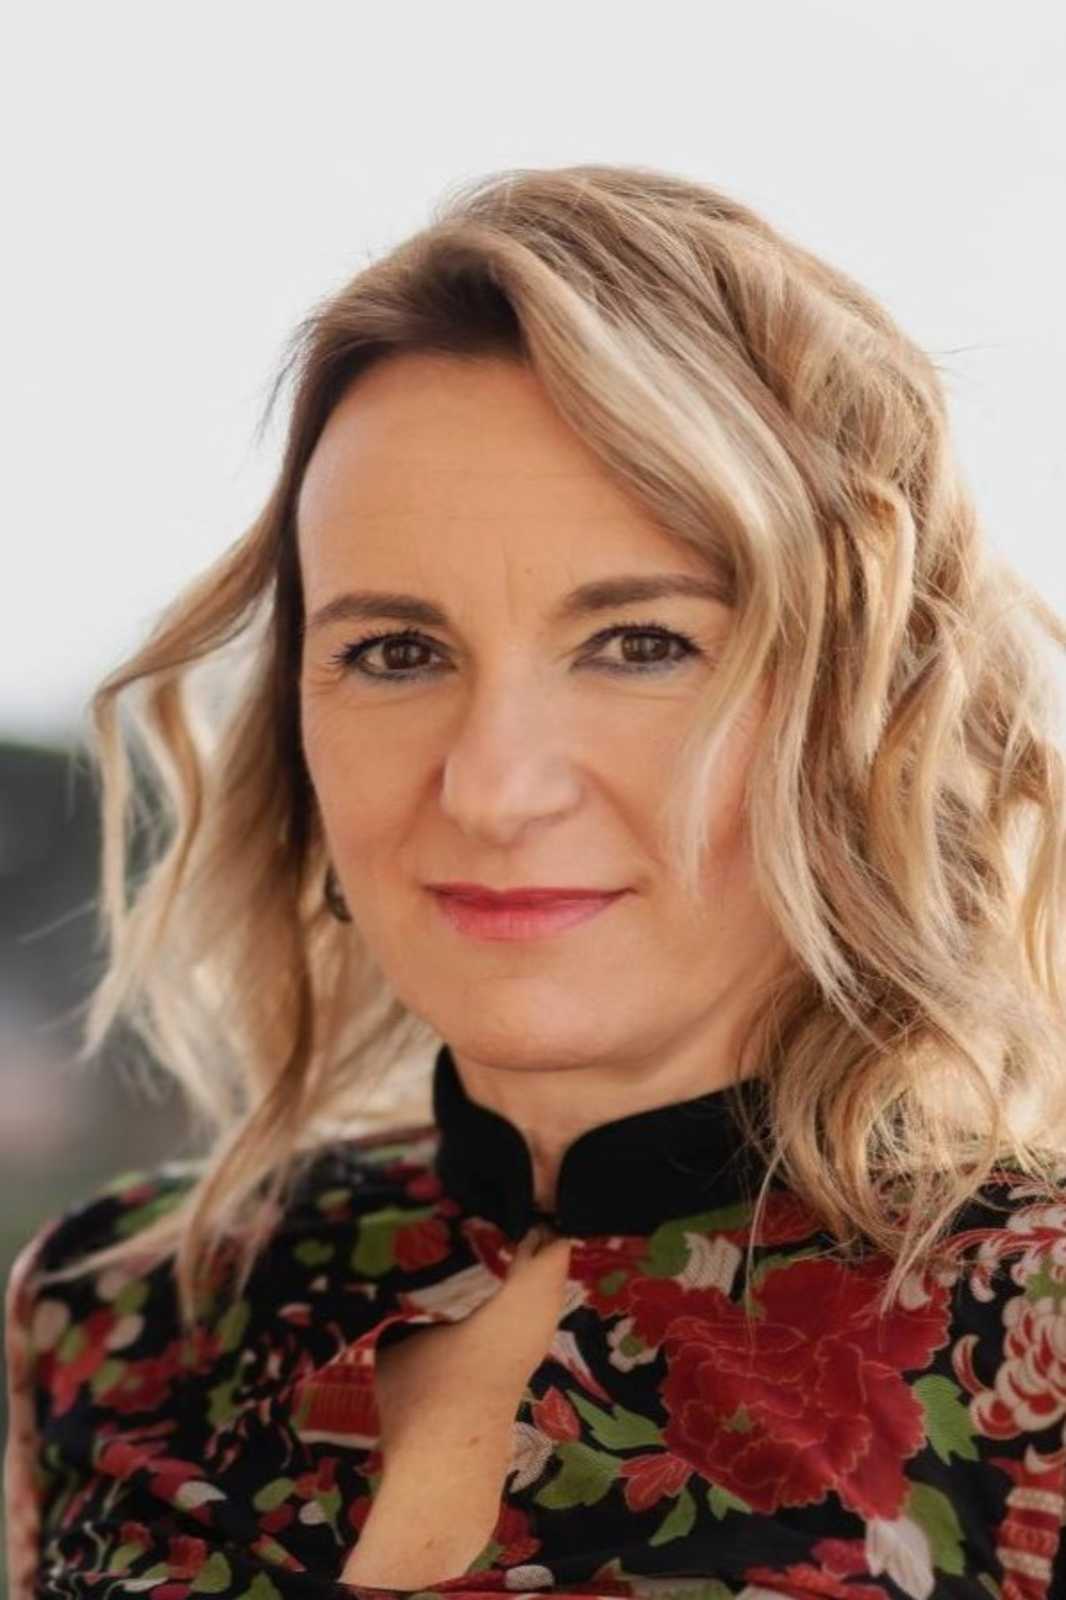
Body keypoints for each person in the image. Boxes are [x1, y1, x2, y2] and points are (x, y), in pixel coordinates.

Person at [5, 163, 1066, 1600]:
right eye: (397, 652)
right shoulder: (113, 1313)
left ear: (861, 708)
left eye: (640, 645)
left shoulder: (1039, 1326)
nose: (493, 790)